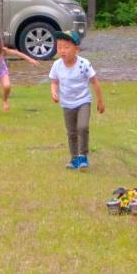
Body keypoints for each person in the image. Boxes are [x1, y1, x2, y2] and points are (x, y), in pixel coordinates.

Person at [48, 30, 104, 170]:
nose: (62, 50)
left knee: (82, 127)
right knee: (71, 132)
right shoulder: (57, 65)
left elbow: (95, 82)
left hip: (83, 101)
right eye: (59, 47)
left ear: (76, 49)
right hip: (67, 104)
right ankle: (74, 159)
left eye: (66, 47)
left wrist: (100, 100)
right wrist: (54, 92)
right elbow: (54, 82)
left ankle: (83, 156)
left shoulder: (84, 64)